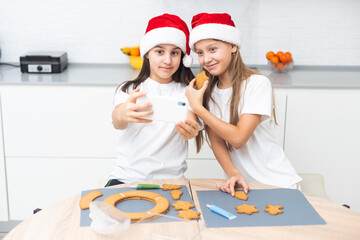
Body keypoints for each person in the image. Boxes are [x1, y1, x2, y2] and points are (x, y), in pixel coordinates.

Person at [185, 13, 302, 195]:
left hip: (278, 184)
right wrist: (233, 173)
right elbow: (216, 140)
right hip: (243, 186)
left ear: (233, 46)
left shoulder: (257, 83)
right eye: (200, 52)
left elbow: (238, 138)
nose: (206, 59)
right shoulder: (206, 89)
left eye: (213, 49)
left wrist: (198, 108)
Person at [107, 13, 200, 186]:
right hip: (126, 177)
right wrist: (122, 114)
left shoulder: (188, 92)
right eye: (159, 51)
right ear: (147, 53)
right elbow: (117, 121)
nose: (167, 60)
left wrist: (192, 130)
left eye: (175, 53)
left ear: (183, 58)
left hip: (171, 181)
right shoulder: (128, 89)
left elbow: (191, 120)